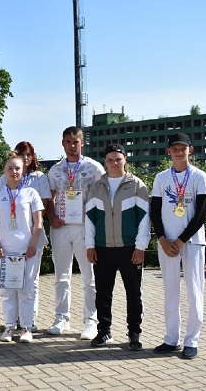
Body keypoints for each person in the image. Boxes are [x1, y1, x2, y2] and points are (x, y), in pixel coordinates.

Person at [150, 132, 206, 360]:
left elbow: (201, 213)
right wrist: (163, 239)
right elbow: (155, 211)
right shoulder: (161, 178)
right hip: (167, 243)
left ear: (189, 150)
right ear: (169, 151)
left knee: (195, 291)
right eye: (174, 148)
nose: (178, 151)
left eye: (182, 148)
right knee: (170, 291)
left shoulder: (199, 177)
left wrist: (181, 240)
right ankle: (171, 338)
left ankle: (192, 340)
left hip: (192, 242)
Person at [85, 144, 150, 350]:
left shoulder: (137, 185)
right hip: (103, 248)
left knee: (133, 293)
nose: (114, 163)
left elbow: (145, 219)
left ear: (125, 160)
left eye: (118, 159)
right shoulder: (97, 186)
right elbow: (90, 219)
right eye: (110, 159)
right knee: (103, 293)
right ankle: (104, 331)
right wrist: (90, 245)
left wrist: (141, 247)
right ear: (105, 161)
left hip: (130, 248)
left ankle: (134, 333)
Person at [46, 126, 104, 339]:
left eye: (75, 142)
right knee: (61, 276)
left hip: (85, 228)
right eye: (68, 142)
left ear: (82, 143)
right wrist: (51, 217)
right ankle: (62, 317)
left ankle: (91, 320)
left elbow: (103, 197)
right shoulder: (55, 170)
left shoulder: (94, 168)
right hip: (61, 227)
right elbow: (48, 198)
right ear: (63, 143)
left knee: (90, 277)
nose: (72, 146)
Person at [0, 153, 44, 343]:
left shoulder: (31, 194)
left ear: (23, 170)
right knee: (7, 291)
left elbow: (38, 223)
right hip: (4, 252)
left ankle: (26, 328)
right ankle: (9, 327)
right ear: (4, 171)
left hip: (27, 252)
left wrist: (33, 245)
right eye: (10, 168)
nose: (14, 172)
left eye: (17, 168)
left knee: (27, 290)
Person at [0, 141, 52, 331]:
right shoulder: (4, 177)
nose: (26, 157)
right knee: (11, 282)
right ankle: (13, 321)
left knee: (31, 282)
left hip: (33, 236)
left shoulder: (39, 177)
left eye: (29, 154)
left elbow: (45, 205)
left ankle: (29, 320)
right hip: (10, 238)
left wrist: (29, 223)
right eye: (23, 154)